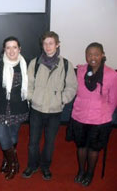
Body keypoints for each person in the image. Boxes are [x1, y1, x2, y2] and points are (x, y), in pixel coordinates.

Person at [22, 31, 77, 180]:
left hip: (54, 111)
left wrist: (61, 99)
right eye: (45, 43)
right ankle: (32, 166)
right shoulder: (35, 63)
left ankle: (45, 167)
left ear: (57, 45)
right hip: (37, 109)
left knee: (50, 142)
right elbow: (28, 84)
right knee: (33, 142)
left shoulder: (66, 64)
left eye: (51, 43)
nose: (48, 46)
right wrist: (32, 97)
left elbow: (72, 87)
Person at [70, 42, 117, 186]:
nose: (92, 57)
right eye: (89, 54)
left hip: (99, 119)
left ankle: (89, 173)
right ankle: (81, 171)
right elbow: (74, 90)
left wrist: (104, 114)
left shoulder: (111, 74)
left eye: (96, 54)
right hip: (79, 116)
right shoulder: (80, 71)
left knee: (94, 148)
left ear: (102, 55)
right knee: (81, 146)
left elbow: (113, 99)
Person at [0, 36, 29, 180]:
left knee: (12, 136)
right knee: (2, 137)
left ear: (20, 49)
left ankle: (6, 159)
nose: (11, 50)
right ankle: (14, 164)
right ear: (4, 49)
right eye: (8, 47)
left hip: (19, 108)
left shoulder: (26, 64)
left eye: (14, 47)